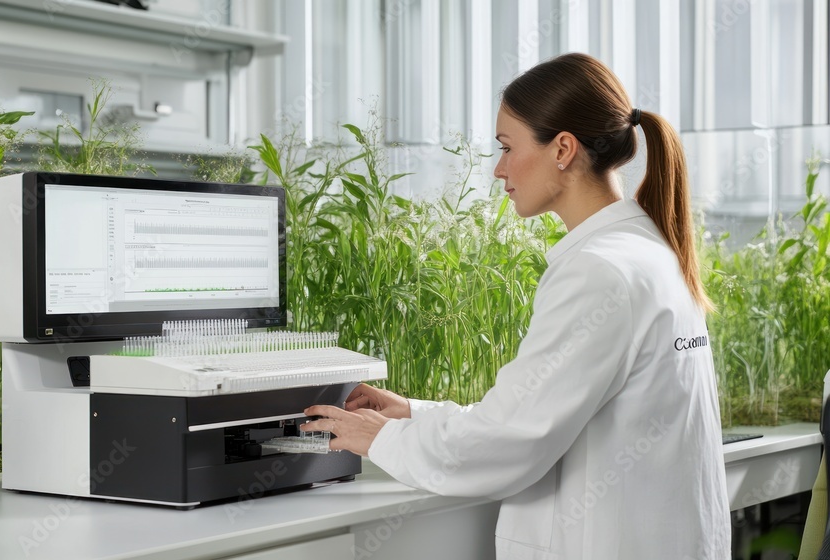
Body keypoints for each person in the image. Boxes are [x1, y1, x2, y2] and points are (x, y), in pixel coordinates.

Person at [300, 52, 731, 559]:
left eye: (507, 147)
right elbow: (536, 415)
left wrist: (381, 439)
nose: (500, 170)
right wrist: (413, 413)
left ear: (563, 149)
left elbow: (509, 442)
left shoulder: (600, 271)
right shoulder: (650, 253)